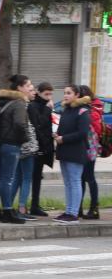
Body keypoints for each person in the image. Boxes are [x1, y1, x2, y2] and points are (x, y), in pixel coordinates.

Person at [0, 75, 31, 224]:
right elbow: (20, 124)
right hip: (12, 144)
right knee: (8, 179)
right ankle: (7, 210)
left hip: (1, 144)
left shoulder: (4, 102)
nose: (30, 88)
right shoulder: (19, 103)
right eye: (27, 86)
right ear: (19, 88)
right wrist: (26, 138)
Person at [53, 85, 91, 224]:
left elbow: (82, 133)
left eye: (69, 93)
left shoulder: (82, 111)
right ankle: (68, 211)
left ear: (77, 95)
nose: (65, 95)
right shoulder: (67, 110)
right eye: (64, 93)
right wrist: (57, 134)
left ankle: (74, 213)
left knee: (75, 181)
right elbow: (65, 128)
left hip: (76, 151)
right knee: (68, 183)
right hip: (64, 151)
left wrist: (64, 138)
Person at [11, 81, 40, 221]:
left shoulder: (14, 104)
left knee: (16, 178)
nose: (33, 91)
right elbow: (31, 127)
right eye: (30, 88)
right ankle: (22, 208)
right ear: (21, 89)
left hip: (19, 146)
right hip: (27, 147)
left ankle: (8, 207)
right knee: (26, 178)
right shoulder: (26, 106)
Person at [29, 82, 54, 217]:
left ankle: (35, 204)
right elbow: (38, 124)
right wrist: (48, 109)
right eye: (46, 94)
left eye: (50, 94)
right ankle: (30, 205)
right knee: (32, 177)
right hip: (37, 147)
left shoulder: (45, 106)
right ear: (39, 92)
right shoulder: (34, 106)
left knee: (37, 177)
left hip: (43, 147)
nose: (49, 97)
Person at [79, 85, 102, 220]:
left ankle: (94, 209)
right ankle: (79, 207)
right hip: (84, 148)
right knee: (81, 178)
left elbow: (97, 130)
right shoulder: (90, 109)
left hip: (90, 149)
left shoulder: (91, 111)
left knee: (89, 178)